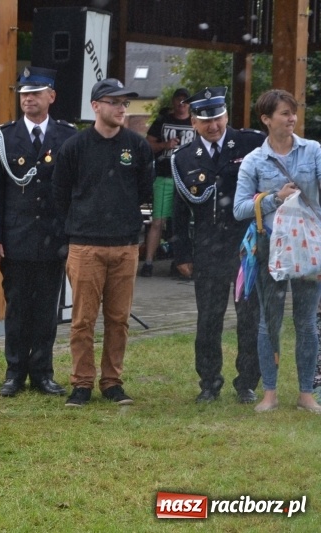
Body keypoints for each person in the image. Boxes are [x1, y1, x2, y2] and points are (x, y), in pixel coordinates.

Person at [53, 78, 154, 407]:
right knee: (82, 320)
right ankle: (82, 383)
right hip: (85, 246)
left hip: (125, 246)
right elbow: (59, 194)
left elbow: (145, 192)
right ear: (95, 106)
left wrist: (128, 225)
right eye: (114, 102)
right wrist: (76, 229)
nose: (121, 108)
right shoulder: (75, 146)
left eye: (125, 103)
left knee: (118, 319)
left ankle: (112, 382)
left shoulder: (137, 146)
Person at [0, 66, 77, 397]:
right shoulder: (5, 136)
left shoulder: (66, 136)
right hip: (16, 237)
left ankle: (43, 372)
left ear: (51, 96)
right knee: (18, 307)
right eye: (23, 94)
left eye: (35, 93)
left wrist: (71, 234)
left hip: (53, 237)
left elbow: (72, 189)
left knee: (47, 310)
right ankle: (15, 371)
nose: (28, 99)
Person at [171, 86, 264, 404]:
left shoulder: (252, 143)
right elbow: (179, 211)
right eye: (206, 120)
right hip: (208, 249)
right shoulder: (183, 158)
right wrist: (181, 252)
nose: (214, 126)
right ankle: (209, 382)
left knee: (250, 317)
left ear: (226, 115)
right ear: (194, 122)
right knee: (208, 318)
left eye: (219, 118)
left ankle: (247, 382)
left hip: (246, 248)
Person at [234, 89, 321, 414]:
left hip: (309, 248)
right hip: (269, 246)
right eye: (284, 113)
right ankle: (269, 394)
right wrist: (274, 198)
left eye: (293, 113)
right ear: (266, 119)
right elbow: (240, 209)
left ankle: (305, 394)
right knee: (268, 323)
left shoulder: (313, 151)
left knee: (306, 322)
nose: (292, 119)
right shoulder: (255, 161)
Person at [140, 87, 193, 277]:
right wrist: (165, 145)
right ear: (173, 102)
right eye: (178, 100)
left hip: (188, 179)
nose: (181, 104)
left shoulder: (195, 122)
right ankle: (148, 262)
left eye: (185, 101)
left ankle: (181, 262)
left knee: (185, 222)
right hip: (165, 176)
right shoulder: (163, 121)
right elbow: (147, 144)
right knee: (158, 221)